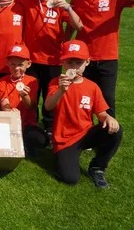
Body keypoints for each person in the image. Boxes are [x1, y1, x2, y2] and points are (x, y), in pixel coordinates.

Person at [47, 40, 123, 187]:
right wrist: (61, 91)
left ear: (87, 62)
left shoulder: (92, 87)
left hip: (85, 133)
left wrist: (108, 117)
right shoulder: (56, 83)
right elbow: (49, 106)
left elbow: (100, 113)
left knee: (116, 130)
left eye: (78, 62)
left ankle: (97, 167)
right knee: (70, 179)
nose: (74, 67)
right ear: (63, 63)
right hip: (65, 139)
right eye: (69, 62)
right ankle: (62, 157)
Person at [16, 0, 81, 131]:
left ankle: (50, 127)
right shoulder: (28, 2)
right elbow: (6, 0)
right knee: (31, 95)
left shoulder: (60, 5)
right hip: (31, 60)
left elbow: (78, 25)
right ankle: (31, 125)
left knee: (50, 94)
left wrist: (68, 8)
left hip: (52, 60)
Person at [0, 44, 47, 155]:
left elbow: (32, 106)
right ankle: (19, 142)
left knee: (41, 140)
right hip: (8, 122)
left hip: (27, 123)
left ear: (28, 64)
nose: (16, 68)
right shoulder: (2, 81)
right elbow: (4, 103)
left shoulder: (32, 81)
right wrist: (10, 112)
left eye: (20, 65)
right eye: (13, 64)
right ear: (7, 63)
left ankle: (24, 142)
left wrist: (25, 96)